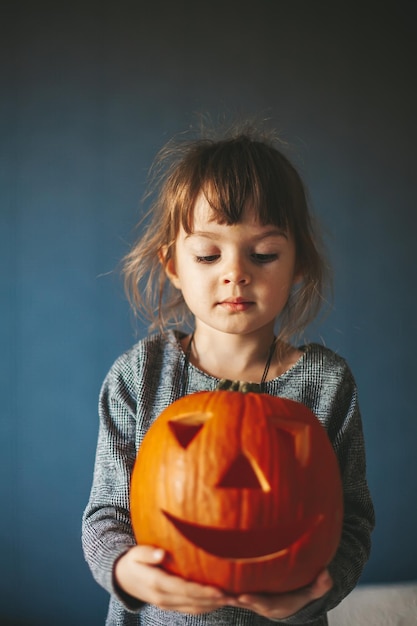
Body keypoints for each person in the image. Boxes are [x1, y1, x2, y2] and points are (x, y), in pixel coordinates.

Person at [82, 122, 375, 625]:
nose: (235, 272)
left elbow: (351, 523)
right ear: (173, 264)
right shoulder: (139, 375)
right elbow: (106, 514)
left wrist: (311, 597)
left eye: (263, 254)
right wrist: (128, 570)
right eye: (208, 254)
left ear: (299, 262)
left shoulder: (326, 384)